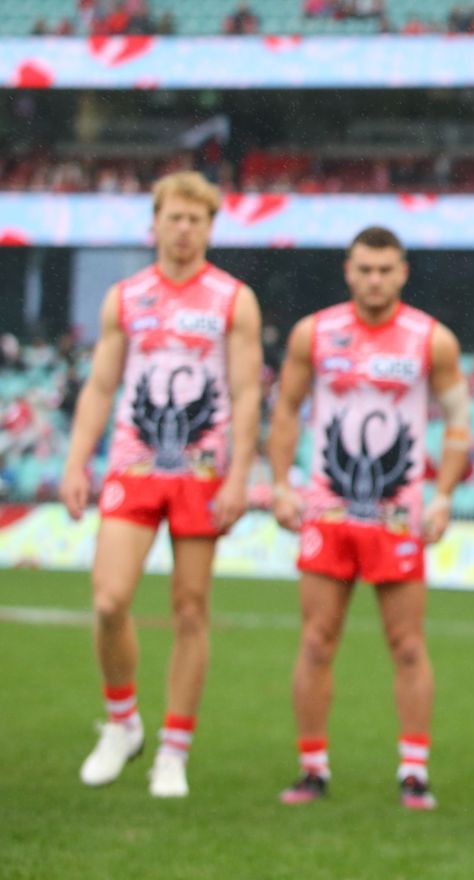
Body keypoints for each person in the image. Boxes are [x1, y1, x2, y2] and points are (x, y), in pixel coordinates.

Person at [60, 172, 264, 798]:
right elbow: (100, 385)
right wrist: (76, 462)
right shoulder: (126, 297)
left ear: (209, 228)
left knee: (189, 609)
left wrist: (238, 475)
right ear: (155, 222)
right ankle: (123, 723)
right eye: (174, 218)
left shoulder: (233, 299)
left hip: (202, 475)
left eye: (196, 220)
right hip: (134, 465)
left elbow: (246, 390)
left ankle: (173, 749)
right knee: (109, 600)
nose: (184, 230)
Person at [266, 226, 468, 810]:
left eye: (385, 269)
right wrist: (281, 484)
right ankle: (312, 769)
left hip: (397, 516)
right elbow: (286, 409)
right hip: (327, 510)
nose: (375, 279)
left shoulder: (431, 340)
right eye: (364, 268)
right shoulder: (315, 333)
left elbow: (458, 419)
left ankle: (413, 772)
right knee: (316, 641)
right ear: (348, 271)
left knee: (407, 645)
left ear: (403, 272)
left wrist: (445, 494)